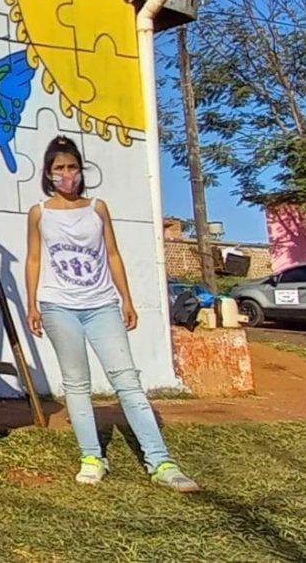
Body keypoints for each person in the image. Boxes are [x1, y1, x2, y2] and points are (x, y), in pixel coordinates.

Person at [25, 136, 200, 492]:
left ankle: (160, 460)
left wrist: (127, 299)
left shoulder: (98, 208)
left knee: (127, 381)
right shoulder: (39, 213)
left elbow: (114, 254)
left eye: (72, 167)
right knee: (76, 383)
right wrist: (32, 304)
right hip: (58, 305)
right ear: (48, 173)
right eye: (59, 168)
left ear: (81, 170)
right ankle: (91, 456)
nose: (67, 174)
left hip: (101, 303)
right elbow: (33, 258)